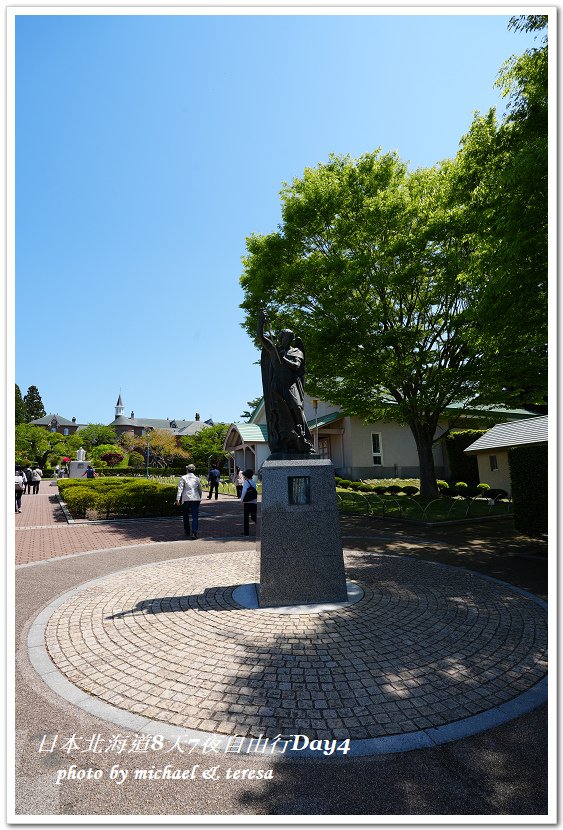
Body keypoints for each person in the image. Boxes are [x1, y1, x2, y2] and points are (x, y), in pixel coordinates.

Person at [257, 310, 316, 456]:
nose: (282, 338)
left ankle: (303, 438)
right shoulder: (273, 349)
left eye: (285, 336)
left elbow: (296, 366)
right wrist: (261, 322)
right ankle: (282, 441)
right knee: (278, 414)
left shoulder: (296, 351)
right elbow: (260, 336)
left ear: (290, 339)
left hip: (290, 385)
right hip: (277, 386)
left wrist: (282, 359)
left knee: (297, 408)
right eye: (281, 336)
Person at [176, 464, 202, 539]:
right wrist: (200, 497)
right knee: (195, 516)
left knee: (185, 515)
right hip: (196, 498)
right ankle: (194, 532)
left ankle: (187, 531)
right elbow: (200, 489)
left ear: (187, 469)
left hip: (186, 498)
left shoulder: (183, 477)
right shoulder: (197, 478)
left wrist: (178, 499)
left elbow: (180, 489)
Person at [240, 468, 258, 536]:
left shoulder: (246, 482)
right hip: (254, 502)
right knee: (254, 516)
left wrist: (241, 500)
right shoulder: (253, 482)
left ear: (246, 476)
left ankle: (246, 532)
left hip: (247, 502)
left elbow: (244, 491)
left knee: (246, 518)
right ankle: (261, 526)